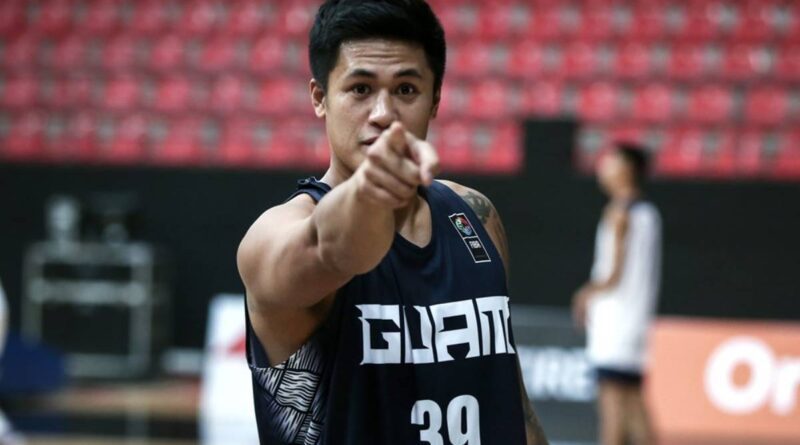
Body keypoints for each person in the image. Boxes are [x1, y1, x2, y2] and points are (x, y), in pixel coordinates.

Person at [236, 1, 548, 443]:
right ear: (320, 98)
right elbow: (333, 249)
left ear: (435, 100)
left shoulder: (474, 215)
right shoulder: (276, 234)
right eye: (360, 89)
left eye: (405, 89)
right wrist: (371, 190)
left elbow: (511, 399)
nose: (383, 112)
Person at [572, 144, 662, 445]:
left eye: (609, 162)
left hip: (615, 322)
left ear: (627, 169)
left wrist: (585, 295)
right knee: (633, 405)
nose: (603, 169)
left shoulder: (619, 213)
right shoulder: (648, 213)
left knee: (612, 408)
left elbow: (612, 274)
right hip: (637, 319)